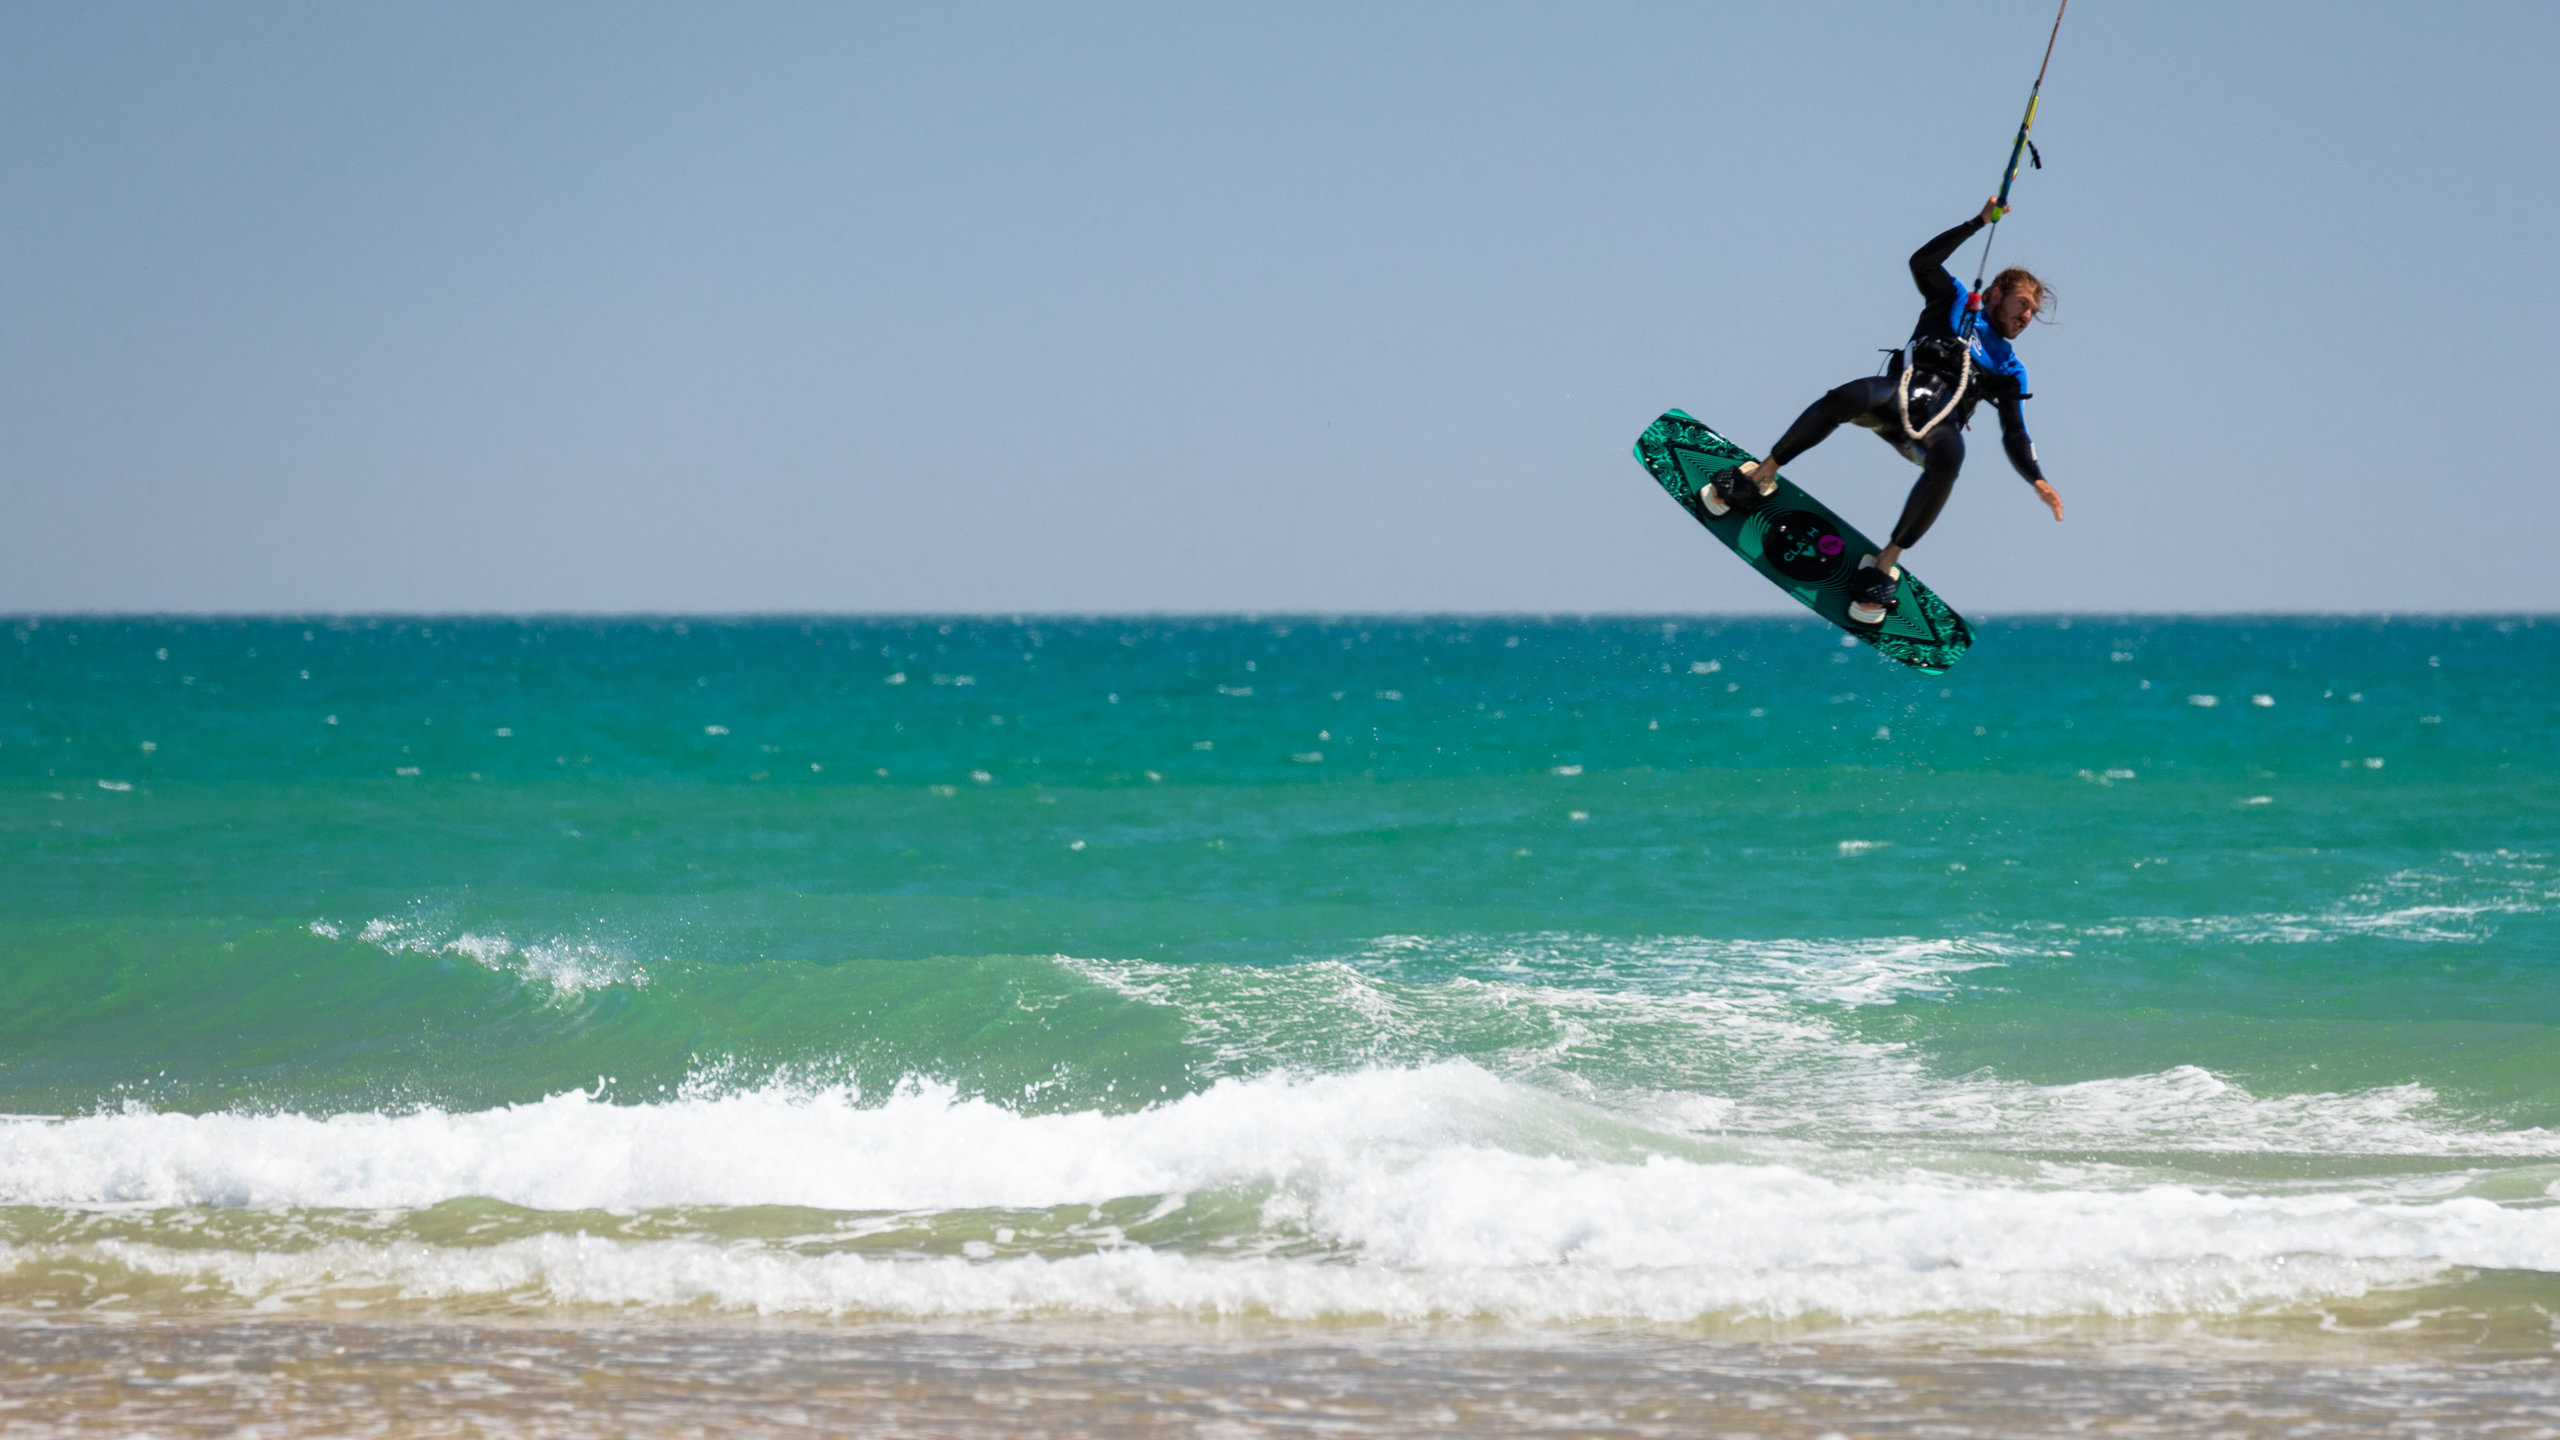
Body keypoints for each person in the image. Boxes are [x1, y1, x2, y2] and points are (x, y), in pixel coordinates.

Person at [1702, 198, 2066, 625]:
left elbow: (2015, 434)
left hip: (1933, 432)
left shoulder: (2010, 369)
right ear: (1996, 295)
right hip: (1898, 400)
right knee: (1846, 397)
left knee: (1951, 458)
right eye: (2022, 304)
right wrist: (1977, 222)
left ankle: (1884, 563)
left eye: (2032, 312)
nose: (2027, 316)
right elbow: (1921, 261)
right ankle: (1760, 475)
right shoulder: (1953, 302)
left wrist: (2036, 477)